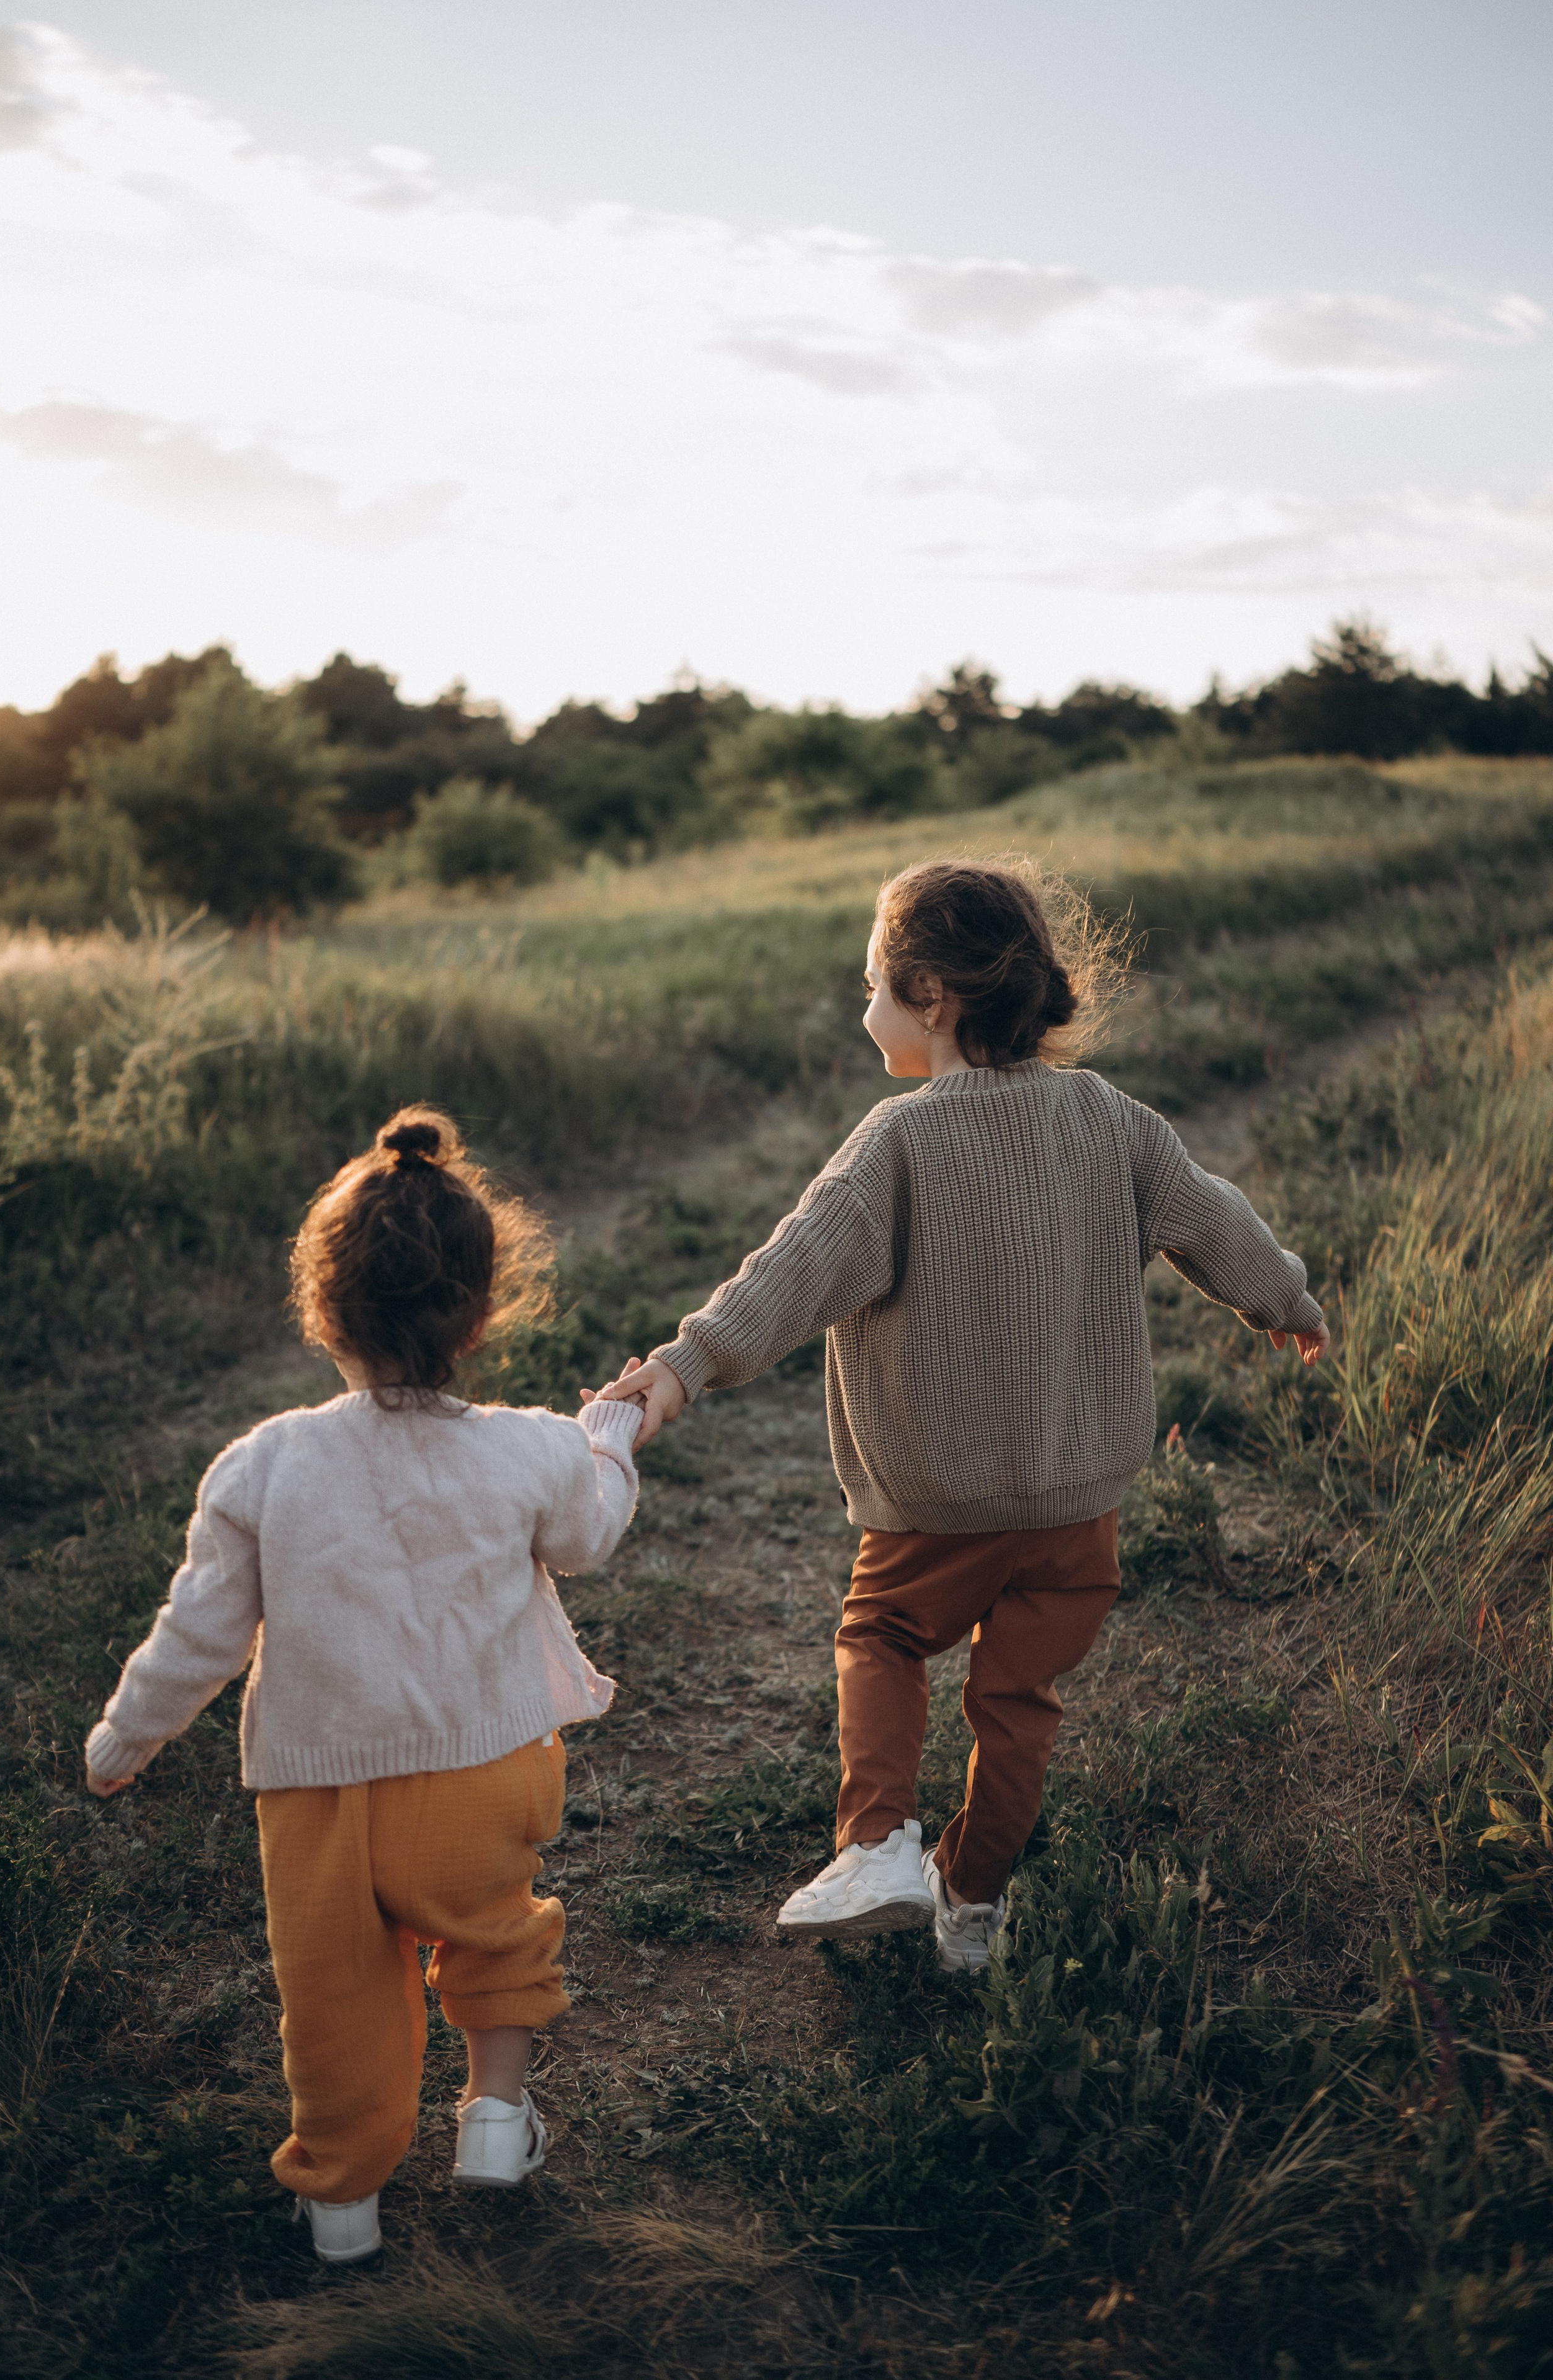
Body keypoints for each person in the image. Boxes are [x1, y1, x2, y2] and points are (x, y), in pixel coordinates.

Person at [593, 858, 1329, 1975]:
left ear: (931, 997)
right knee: (1018, 1703)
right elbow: (1213, 1219)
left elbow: (794, 1271)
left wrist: (686, 1366)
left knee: (882, 1637)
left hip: (937, 1496)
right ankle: (972, 1907)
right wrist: (1281, 1297)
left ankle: (881, 1842)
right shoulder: (1113, 1118)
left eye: (875, 985)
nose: (866, 1009)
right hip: (1078, 1501)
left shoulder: (899, 1138)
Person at [84, 1107, 644, 2263]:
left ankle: (343, 2205)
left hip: (317, 1792)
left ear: (321, 1311)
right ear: (482, 1315)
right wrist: (607, 1438)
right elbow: (590, 1532)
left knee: (335, 2001)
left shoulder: (265, 1465)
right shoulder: (529, 1448)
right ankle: (494, 2120)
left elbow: (200, 1632)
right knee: (494, 1936)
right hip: (483, 1771)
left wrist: (124, 1739)